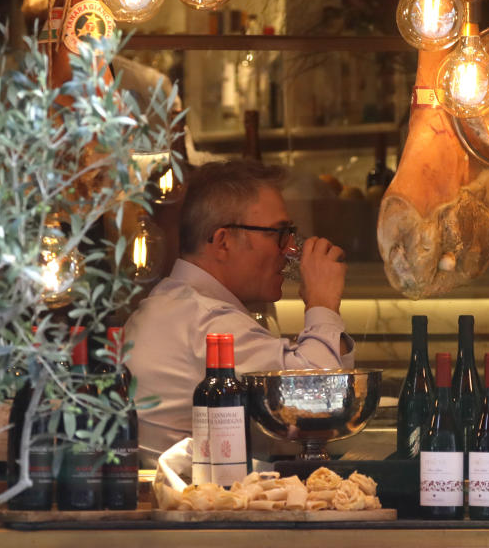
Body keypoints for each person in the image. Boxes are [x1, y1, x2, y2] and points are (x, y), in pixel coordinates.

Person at [125, 159, 354, 459]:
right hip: (191, 501)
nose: (290, 250)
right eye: (278, 233)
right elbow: (321, 402)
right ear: (223, 242)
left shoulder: (176, 304)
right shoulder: (204, 319)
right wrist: (322, 302)